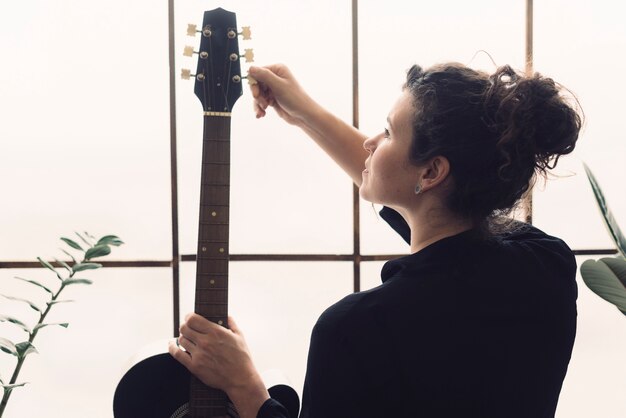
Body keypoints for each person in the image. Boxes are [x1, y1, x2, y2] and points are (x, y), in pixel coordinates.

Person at [168, 61, 582, 418]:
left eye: (386, 132)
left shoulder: (355, 330)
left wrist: (246, 387)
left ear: (432, 173)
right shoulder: (548, 267)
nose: (370, 143)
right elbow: (442, 233)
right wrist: (304, 111)